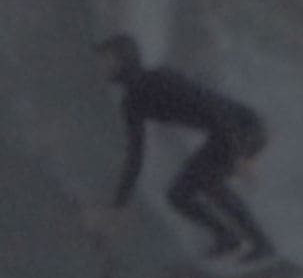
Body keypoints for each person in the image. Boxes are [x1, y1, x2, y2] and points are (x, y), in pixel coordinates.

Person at [88, 33, 276, 262]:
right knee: (180, 195)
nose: (99, 65)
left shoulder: (160, 79)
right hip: (225, 134)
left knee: (205, 182)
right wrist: (119, 206)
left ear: (121, 59)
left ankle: (261, 244)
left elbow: (212, 109)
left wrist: (238, 156)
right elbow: (135, 157)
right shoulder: (132, 103)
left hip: (243, 127)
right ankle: (229, 238)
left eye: (104, 58)